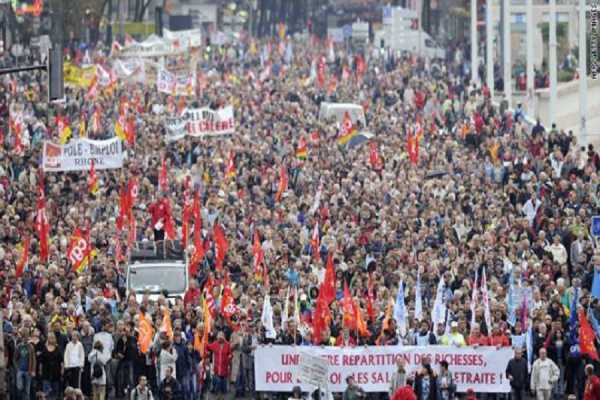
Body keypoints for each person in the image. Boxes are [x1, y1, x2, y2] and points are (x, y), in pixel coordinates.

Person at [206, 331, 232, 400]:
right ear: (217, 337)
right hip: (217, 369)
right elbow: (207, 346)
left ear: (224, 337)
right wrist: (207, 354)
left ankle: (222, 397)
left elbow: (230, 353)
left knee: (224, 388)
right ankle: (218, 397)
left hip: (224, 369)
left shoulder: (227, 344)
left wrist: (229, 357)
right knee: (218, 385)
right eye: (219, 336)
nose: (220, 338)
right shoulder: (215, 344)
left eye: (221, 336)